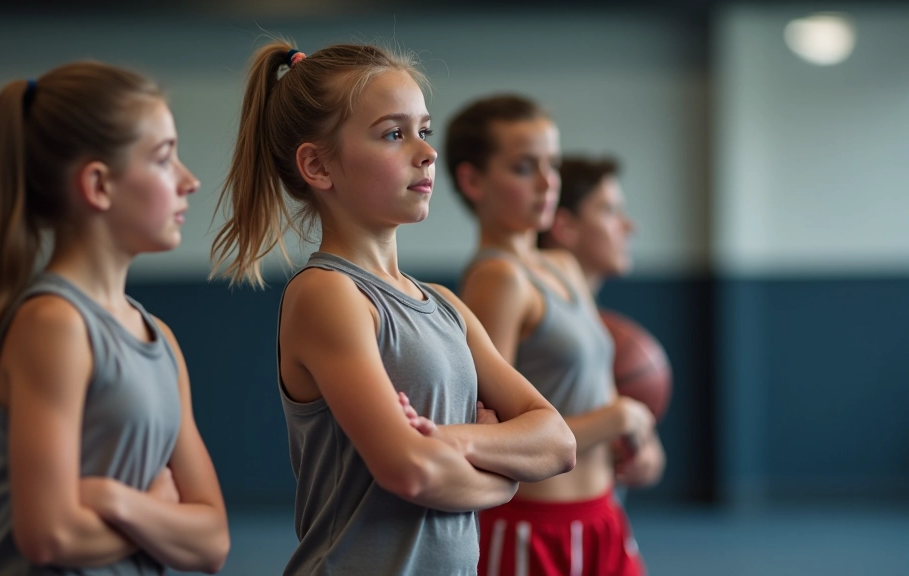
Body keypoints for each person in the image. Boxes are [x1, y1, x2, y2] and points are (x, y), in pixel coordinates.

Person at [210, 42, 576, 576]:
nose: (426, 152)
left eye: (423, 131)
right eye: (393, 134)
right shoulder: (328, 294)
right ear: (317, 165)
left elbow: (558, 441)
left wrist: (449, 439)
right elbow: (410, 472)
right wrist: (506, 475)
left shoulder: (446, 304)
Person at [0, 61, 230, 575]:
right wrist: (161, 511)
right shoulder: (54, 325)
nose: (189, 181)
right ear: (99, 185)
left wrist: (115, 500)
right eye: (164, 158)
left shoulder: (161, 339)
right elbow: (50, 534)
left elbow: (212, 541)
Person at [446, 95, 653, 576]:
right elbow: (493, 441)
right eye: (523, 168)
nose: (547, 183)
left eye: (552, 164)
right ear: (473, 181)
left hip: (602, 515)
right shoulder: (497, 279)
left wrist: (637, 438)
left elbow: (597, 388)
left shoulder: (561, 264)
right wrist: (618, 417)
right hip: (533, 530)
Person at [538, 157, 665, 491]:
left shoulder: (601, 332)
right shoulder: (535, 321)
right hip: (543, 522)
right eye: (609, 211)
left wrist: (645, 448)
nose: (629, 226)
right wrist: (615, 421)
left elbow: (650, 460)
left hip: (602, 515)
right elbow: (510, 439)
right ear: (565, 227)